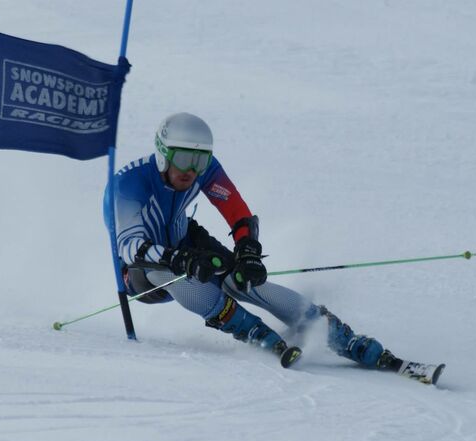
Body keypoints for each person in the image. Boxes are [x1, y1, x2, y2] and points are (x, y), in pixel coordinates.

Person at [105, 112, 434, 378]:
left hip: (185, 240)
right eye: (184, 158)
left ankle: (344, 338)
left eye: (200, 160)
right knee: (176, 276)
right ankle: (250, 330)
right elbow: (130, 245)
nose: (192, 170)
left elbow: (236, 210)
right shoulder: (128, 184)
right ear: (164, 154)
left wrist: (247, 248)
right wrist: (178, 259)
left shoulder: (203, 171)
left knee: (241, 278)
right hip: (141, 273)